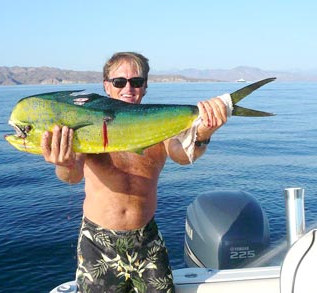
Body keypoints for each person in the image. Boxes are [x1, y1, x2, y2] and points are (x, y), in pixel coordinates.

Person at [41, 52, 228, 292]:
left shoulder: (158, 124)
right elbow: (72, 176)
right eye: (119, 82)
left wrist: (203, 134)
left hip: (146, 239)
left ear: (145, 86)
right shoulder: (86, 124)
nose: (128, 88)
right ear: (106, 86)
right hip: (99, 242)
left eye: (136, 82)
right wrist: (64, 162)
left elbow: (182, 155)